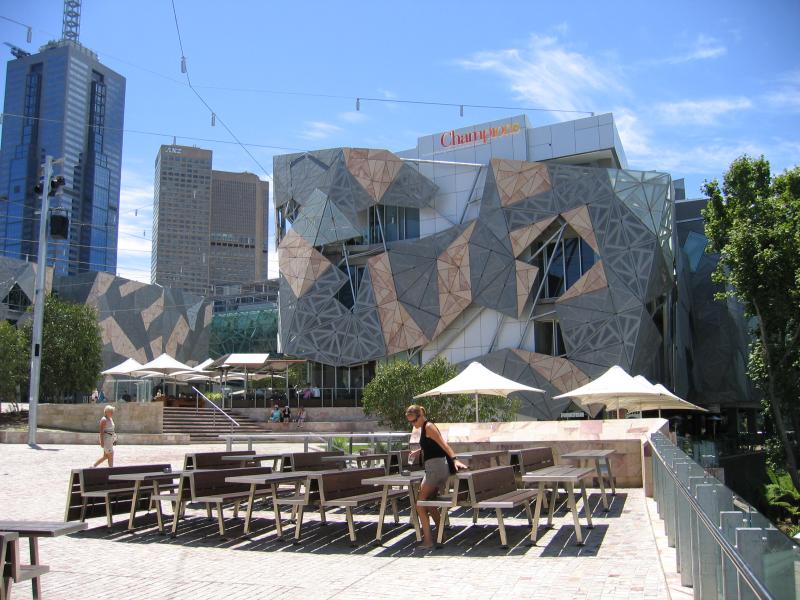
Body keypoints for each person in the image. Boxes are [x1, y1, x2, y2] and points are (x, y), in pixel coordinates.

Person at [405, 404, 466, 549]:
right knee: (429, 503)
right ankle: (440, 534)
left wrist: (455, 459)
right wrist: (418, 451)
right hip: (435, 468)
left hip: (436, 469)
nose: (413, 424)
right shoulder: (424, 428)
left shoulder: (429, 427)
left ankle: (428, 541)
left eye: (414, 421)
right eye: (410, 422)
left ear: (421, 415)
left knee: (420, 505)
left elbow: (443, 444)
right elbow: (432, 445)